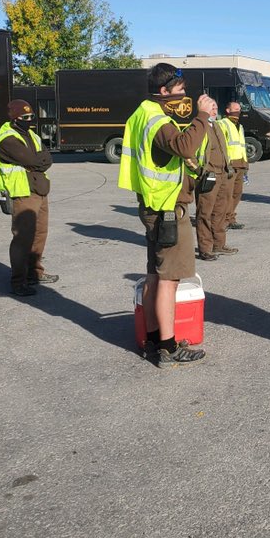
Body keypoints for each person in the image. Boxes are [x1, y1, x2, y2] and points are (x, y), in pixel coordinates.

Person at [118, 63, 214, 366]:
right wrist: (203, 116)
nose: (184, 95)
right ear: (164, 91)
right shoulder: (156, 118)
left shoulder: (143, 113)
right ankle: (168, 346)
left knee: (153, 275)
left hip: (154, 204)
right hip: (167, 208)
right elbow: (184, 146)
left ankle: (151, 338)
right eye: (180, 90)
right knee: (168, 279)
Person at [0, 99, 56, 296]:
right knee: (23, 238)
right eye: (25, 117)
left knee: (40, 234)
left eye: (31, 117)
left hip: (39, 189)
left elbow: (47, 158)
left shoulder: (31, 135)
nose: (30, 120)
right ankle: (18, 281)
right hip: (23, 192)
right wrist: (37, 160)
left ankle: (34, 273)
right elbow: (31, 159)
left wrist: (38, 160)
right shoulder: (7, 139)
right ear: (14, 118)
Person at [193, 99, 237, 261]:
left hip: (223, 174)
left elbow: (224, 149)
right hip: (208, 175)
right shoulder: (198, 126)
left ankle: (219, 244)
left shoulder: (217, 125)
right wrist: (200, 171)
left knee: (220, 211)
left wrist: (228, 168)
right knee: (205, 212)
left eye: (216, 108)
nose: (214, 111)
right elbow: (190, 152)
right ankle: (205, 248)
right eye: (211, 108)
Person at [218, 100, 249, 231]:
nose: (238, 110)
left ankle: (230, 218)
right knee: (227, 194)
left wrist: (246, 163)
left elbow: (242, 146)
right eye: (235, 108)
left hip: (241, 163)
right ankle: (223, 220)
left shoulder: (240, 126)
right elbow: (222, 146)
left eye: (239, 108)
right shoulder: (222, 124)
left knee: (237, 193)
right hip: (230, 165)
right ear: (227, 110)